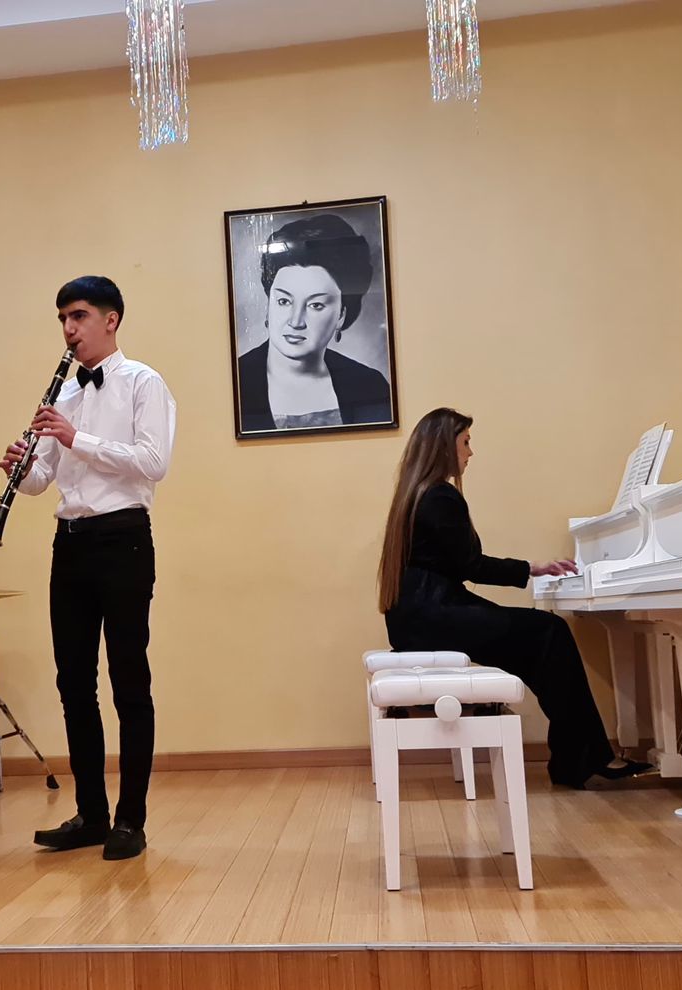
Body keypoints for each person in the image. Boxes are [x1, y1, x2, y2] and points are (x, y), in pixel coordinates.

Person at [0, 276, 176, 860]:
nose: (69, 329)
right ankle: (92, 814)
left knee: (129, 681)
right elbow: (44, 480)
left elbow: (153, 462)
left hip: (123, 540)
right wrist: (20, 470)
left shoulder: (143, 382)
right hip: (69, 544)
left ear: (110, 319)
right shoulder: (66, 395)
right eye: (62, 320)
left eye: (77, 316)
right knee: (73, 683)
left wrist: (79, 438)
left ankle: (131, 820)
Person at [377, 407, 651, 789]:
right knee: (549, 632)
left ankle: (578, 757)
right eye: (465, 442)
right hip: (435, 616)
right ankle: (581, 758)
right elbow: (472, 565)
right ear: (444, 446)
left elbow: (457, 566)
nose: (470, 452)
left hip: (420, 617)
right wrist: (532, 568)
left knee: (540, 643)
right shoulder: (440, 495)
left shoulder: (416, 493)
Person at [237, 213, 392, 433]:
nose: (296, 321)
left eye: (315, 305)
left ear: (341, 315)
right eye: (283, 301)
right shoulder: (237, 381)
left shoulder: (369, 386)